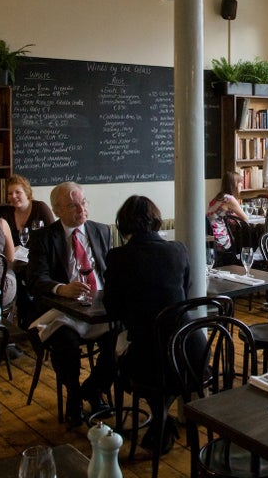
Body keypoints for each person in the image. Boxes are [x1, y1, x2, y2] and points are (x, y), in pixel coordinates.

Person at [104, 195, 190, 455]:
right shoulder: (178, 250)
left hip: (150, 357)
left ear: (123, 224)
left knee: (126, 354)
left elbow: (113, 309)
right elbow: (185, 293)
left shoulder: (118, 257)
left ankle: (161, 417)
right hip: (191, 350)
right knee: (158, 360)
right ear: (156, 220)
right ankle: (162, 418)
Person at [26, 181, 116, 426]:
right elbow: (35, 278)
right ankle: (74, 394)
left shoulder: (101, 231)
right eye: (73, 205)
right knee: (65, 342)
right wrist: (61, 288)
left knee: (120, 336)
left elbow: (110, 271)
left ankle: (94, 388)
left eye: (83, 203)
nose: (81, 209)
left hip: (99, 306)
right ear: (57, 210)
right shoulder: (44, 238)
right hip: (62, 308)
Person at [0, 174, 55, 243]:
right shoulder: (4, 212)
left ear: (27, 193)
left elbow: (54, 235)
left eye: (18, 192)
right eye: (10, 193)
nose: (13, 196)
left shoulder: (40, 208)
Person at [206, 171, 249, 251]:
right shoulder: (229, 199)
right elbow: (245, 219)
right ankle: (245, 255)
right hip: (220, 239)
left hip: (211, 236)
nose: (242, 185)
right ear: (235, 184)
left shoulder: (219, 197)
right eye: (240, 182)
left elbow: (220, 214)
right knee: (248, 238)